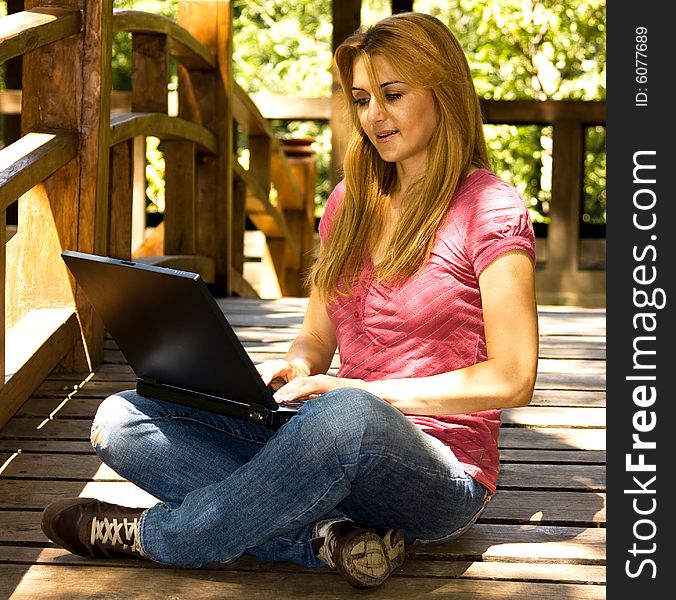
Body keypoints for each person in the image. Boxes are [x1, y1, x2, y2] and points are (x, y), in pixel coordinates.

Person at [40, 11, 538, 590]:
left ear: (444, 92)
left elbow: (513, 377)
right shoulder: (351, 201)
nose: (374, 115)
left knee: (345, 416)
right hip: (324, 435)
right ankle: (327, 539)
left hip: (437, 472)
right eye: (361, 99)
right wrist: (296, 367)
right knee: (121, 418)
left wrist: (359, 394)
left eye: (392, 94)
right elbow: (318, 338)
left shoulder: (491, 209)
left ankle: (158, 538)